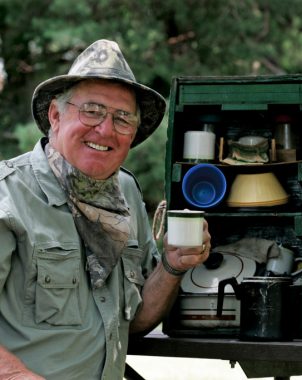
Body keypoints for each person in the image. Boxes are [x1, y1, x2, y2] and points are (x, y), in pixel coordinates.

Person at [0, 39, 211, 379]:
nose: (105, 129)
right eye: (92, 111)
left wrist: (173, 264)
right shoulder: (7, 194)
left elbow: (134, 320)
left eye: (122, 118)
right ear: (56, 115)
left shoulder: (124, 192)